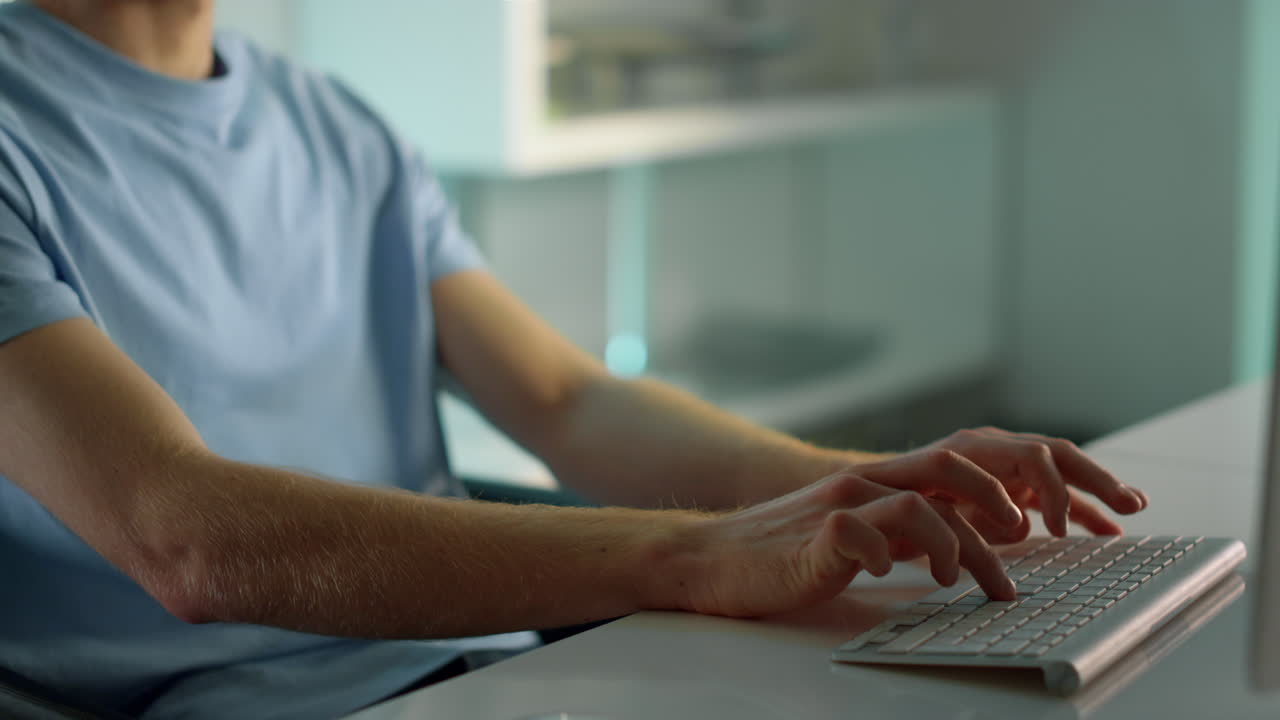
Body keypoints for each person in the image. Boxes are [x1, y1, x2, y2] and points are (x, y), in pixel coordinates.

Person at [0, 0, 1149, 717]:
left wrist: (874, 487)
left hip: (508, 674)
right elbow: (183, 535)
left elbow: (567, 400)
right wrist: (691, 554)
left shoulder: (339, 125)